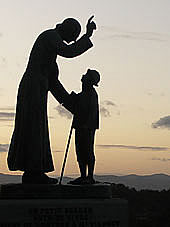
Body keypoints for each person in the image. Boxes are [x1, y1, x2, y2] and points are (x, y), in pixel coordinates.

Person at [7, 17, 96, 184]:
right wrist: (87, 36)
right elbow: (68, 52)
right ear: (67, 30)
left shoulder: (51, 55)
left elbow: (55, 85)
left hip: (37, 89)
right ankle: (33, 172)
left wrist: (73, 106)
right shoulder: (49, 37)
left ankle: (35, 171)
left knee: (37, 129)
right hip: (32, 88)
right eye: (73, 37)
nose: (72, 41)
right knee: (33, 128)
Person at [66, 69, 100, 185]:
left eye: (86, 75)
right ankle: (83, 176)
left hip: (87, 128)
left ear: (90, 80)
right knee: (80, 152)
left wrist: (87, 125)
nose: (83, 76)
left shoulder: (91, 94)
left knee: (88, 151)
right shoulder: (83, 94)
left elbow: (92, 112)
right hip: (80, 127)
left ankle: (89, 177)